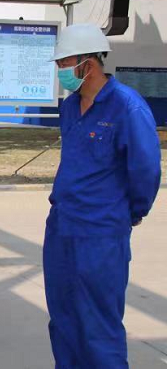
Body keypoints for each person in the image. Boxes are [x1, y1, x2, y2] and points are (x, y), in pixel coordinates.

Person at [44, 23, 161, 368]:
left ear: (88, 64)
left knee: (99, 324)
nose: (60, 70)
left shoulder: (127, 107)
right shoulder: (70, 107)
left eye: (64, 63)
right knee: (63, 317)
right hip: (62, 227)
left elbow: (146, 170)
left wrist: (130, 213)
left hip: (101, 233)